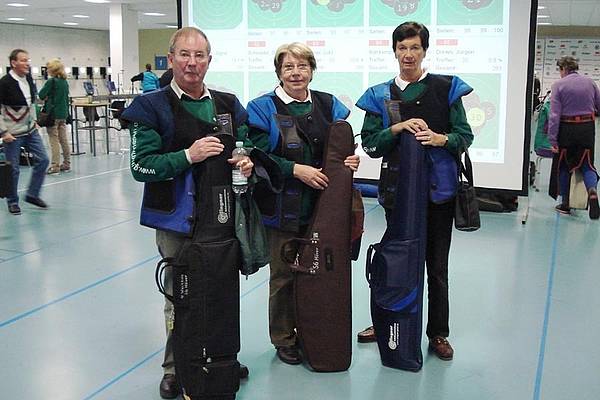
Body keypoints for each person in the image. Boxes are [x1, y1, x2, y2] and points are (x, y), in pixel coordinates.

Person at [121, 28, 252, 399]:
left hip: (222, 218)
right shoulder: (151, 106)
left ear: (209, 60)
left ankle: (219, 358)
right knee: (182, 296)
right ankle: (176, 366)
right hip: (177, 222)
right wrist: (187, 156)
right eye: (184, 55)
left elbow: (244, 145)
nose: (192, 63)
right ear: (172, 57)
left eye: (200, 55)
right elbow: (141, 167)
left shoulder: (227, 103)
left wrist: (245, 160)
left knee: (223, 292)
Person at [355, 22, 473, 361]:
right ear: (394, 51)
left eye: (415, 48)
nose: (408, 54)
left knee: (436, 267)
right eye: (402, 48)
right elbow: (373, 146)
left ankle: (437, 333)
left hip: (439, 193)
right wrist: (396, 128)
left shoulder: (447, 88)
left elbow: (464, 136)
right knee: (394, 262)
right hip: (397, 194)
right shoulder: (379, 95)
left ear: (424, 51)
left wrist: (440, 139)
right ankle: (385, 320)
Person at [246, 42, 360, 365]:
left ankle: (314, 331)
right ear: (279, 72)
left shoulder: (329, 105)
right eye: (288, 67)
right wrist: (296, 170)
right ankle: (284, 338)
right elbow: (258, 157)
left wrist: (350, 160)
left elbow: (342, 147)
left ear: (312, 70)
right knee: (282, 276)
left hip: (324, 208)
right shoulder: (261, 108)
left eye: (302, 66)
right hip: (281, 207)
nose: (296, 73)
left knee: (320, 273)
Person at [548, 56, 600, 220]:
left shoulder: (558, 85)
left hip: (567, 128)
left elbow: (554, 115)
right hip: (587, 127)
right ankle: (592, 191)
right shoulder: (590, 83)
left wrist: (552, 139)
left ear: (563, 69)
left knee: (564, 165)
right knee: (587, 164)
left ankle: (565, 204)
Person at [0, 48, 50, 215]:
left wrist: (35, 120)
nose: (27, 63)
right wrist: (3, 132)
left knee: (43, 160)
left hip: (30, 131)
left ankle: (32, 194)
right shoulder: (5, 83)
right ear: (13, 63)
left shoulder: (28, 78)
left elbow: (32, 102)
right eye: (23, 60)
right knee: (12, 169)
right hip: (12, 134)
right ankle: (12, 201)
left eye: (28, 60)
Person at [38, 58, 71, 174]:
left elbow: (41, 95)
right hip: (63, 114)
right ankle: (67, 163)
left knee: (54, 140)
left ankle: (55, 166)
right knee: (64, 139)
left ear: (52, 70)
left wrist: (47, 97)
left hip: (52, 115)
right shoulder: (64, 82)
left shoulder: (51, 82)